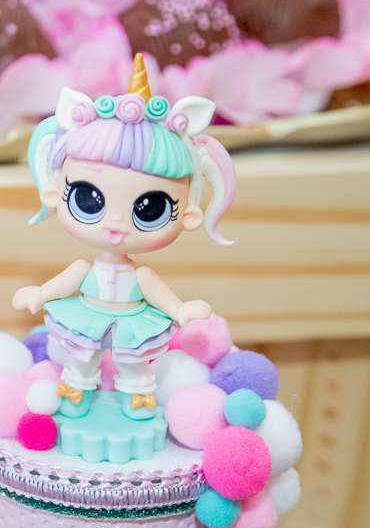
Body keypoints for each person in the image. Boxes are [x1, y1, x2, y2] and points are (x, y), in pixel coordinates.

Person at [16, 54, 236, 419]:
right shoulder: (84, 269)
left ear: (190, 215)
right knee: (82, 355)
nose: (115, 224)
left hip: (133, 320)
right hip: (87, 315)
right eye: (88, 199)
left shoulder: (141, 275)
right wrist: (40, 293)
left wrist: (180, 310)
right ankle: (75, 389)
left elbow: (158, 295)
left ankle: (138, 396)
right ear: (55, 194)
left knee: (134, 361)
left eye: (150, 208)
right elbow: (65, 283)